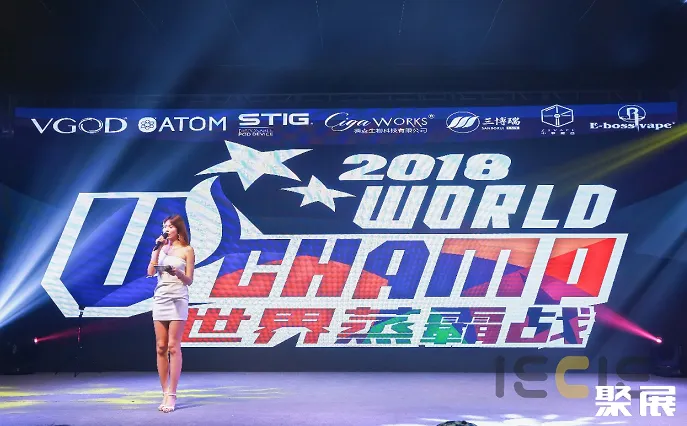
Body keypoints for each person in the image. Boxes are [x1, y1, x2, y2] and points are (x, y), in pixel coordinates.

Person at [147, 214, 195, 413]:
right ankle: (164, 391)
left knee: (173, 346)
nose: (167, 229)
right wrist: (156, 249)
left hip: (178, 298)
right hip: (161, 297)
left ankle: (173, 393)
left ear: (178, 229)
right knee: (161, 346)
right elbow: (150, 272)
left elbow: (189, 280)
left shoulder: (187, 250)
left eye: (170, 226)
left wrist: (178, 273)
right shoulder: (161, 248)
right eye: (164, 226)